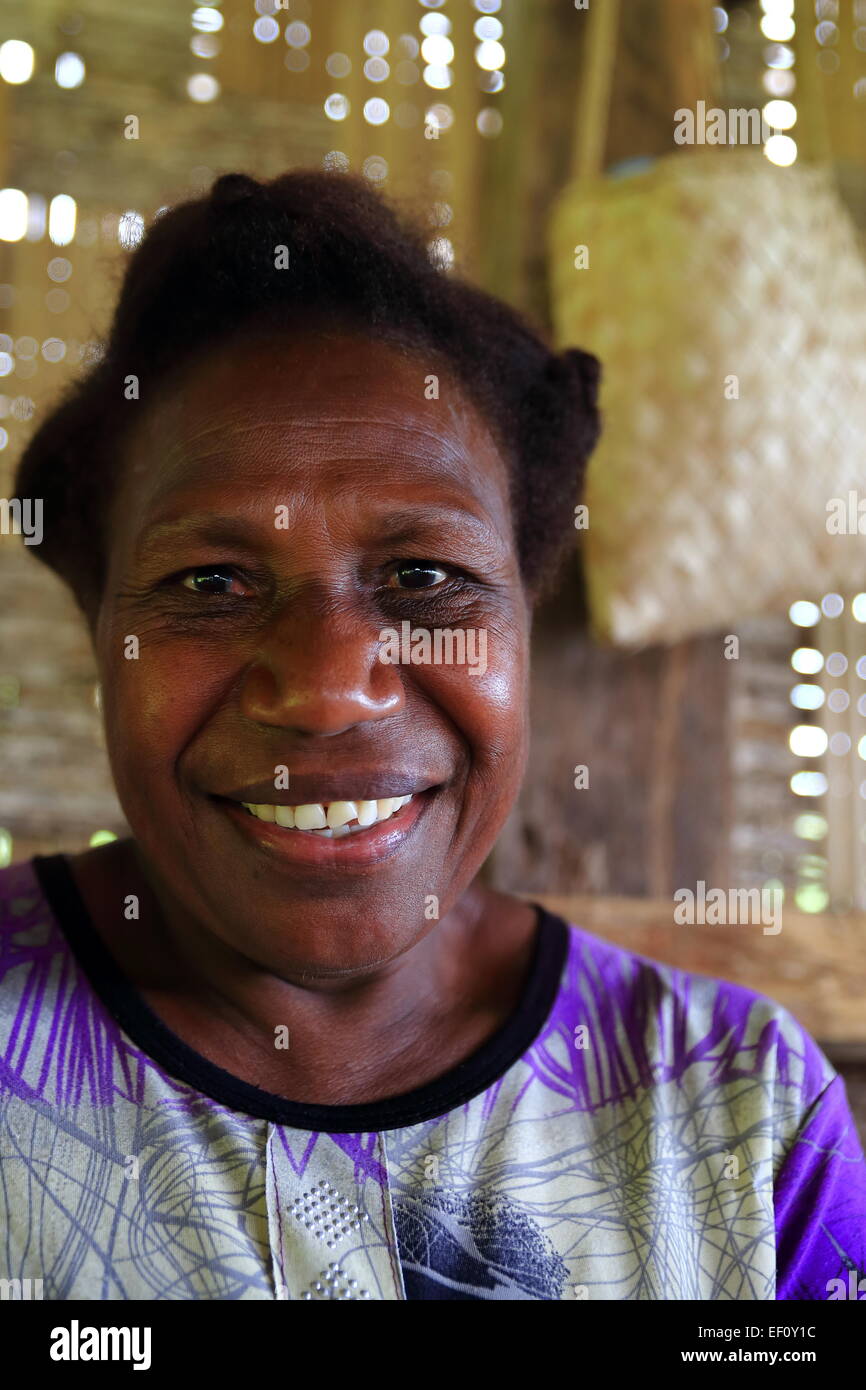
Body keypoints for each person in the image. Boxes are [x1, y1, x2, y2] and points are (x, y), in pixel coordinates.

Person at [2, 170, 864, 1301]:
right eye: (209, 581)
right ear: (99, 627)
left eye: (424, 577)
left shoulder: (741, 1114)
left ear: (518, 617)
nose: (324, 689)